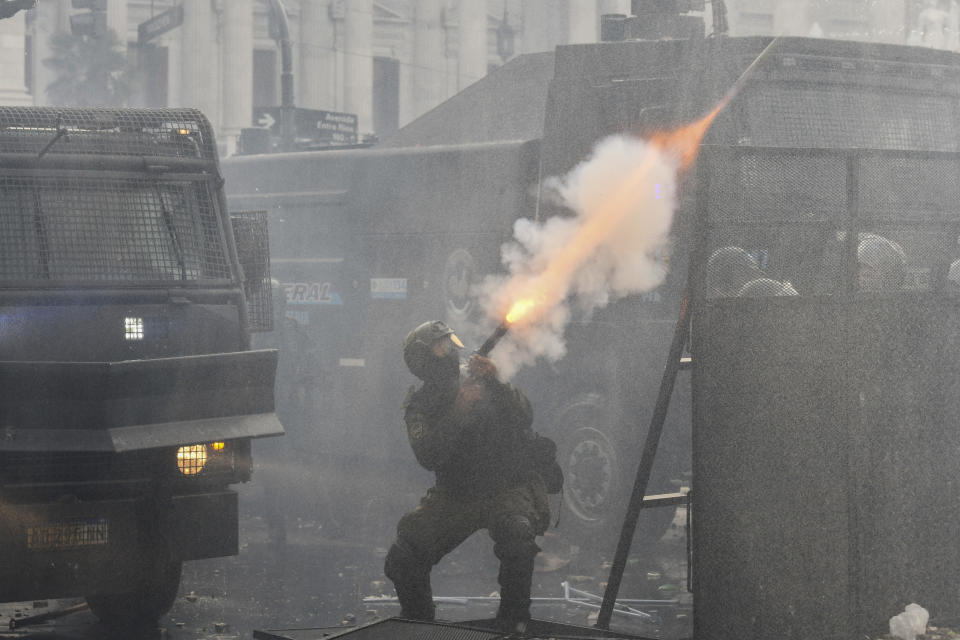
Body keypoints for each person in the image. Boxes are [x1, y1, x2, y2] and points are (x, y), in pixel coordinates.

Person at [384, 320, 551, 632]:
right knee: (403, 558)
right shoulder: (420, 405)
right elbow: (428, 456)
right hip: (456, 494)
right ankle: (420, 626)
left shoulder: (483, 379)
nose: (450, 352)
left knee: (518, 537)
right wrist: (459, 409)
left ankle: (514, 624)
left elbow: (525, 415)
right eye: (440, 347)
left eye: (450, 344)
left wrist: (498, 382)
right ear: (422, 360)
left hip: (505, 487)